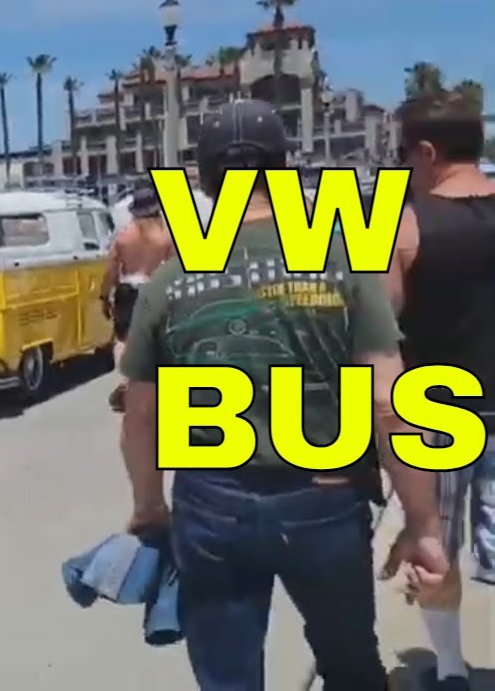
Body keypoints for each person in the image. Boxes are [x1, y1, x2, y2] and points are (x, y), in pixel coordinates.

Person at [117, 99, 448, 690]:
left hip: (213, 502)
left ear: (205, 176)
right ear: (285, 168)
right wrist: (423, 523)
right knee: (350, 666)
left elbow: (141, 414)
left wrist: (149, 505)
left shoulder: (169, 281)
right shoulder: (343, 261)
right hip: (325, 496)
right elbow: (386, 402)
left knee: (229, 677)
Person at [379, 91, 495, 691]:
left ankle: (450, 670)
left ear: (426, 151)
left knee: (434, 543)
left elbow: (380, 331)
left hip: (437, 412)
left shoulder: (406, 222)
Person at [99, 185, 173, 412]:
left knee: (124, 338)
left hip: (128, 291)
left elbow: (111, 270)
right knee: (160, 337)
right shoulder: (166, 236)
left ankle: (128, 380)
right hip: (157, 289)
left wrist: (103, 296)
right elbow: (174, 267)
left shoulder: (124, 236)